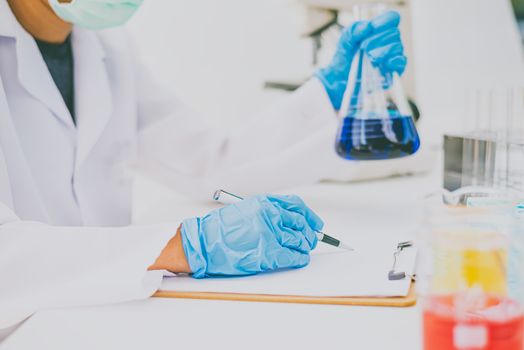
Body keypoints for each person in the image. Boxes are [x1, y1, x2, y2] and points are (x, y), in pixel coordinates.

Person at [0, 0, 406, 335]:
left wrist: (330, 91)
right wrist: (184, 246)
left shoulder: (109, 46)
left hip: (87, 320)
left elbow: (210, 161)